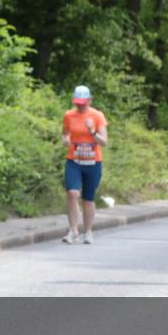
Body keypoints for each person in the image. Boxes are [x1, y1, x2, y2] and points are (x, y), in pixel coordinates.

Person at [60, 85, 108, 244]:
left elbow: (104, 141)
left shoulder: (97, 116)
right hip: (74, 160)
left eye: (83, 102)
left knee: (88, 198)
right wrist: (65, 140)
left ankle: (88, 231)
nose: (79, 105)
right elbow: (65, 134)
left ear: (89, 100)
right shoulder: (69, 115)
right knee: (72, 193)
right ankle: (73, 230)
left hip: (93, 162)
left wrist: (92, 131)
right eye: (77, 102)